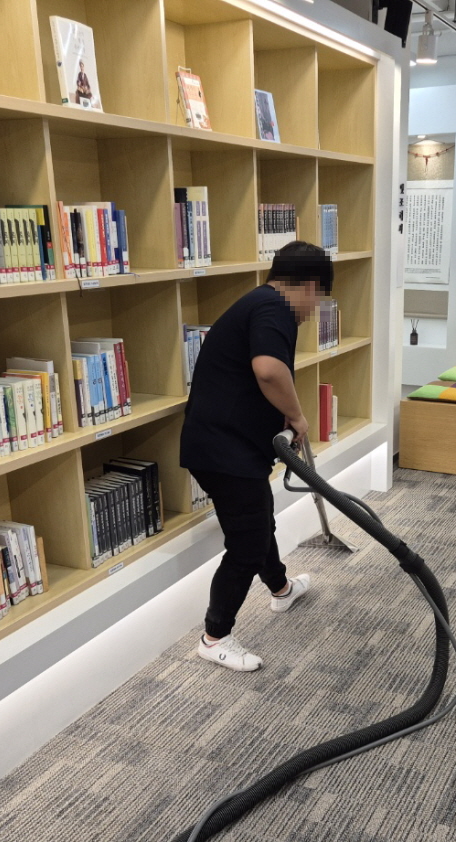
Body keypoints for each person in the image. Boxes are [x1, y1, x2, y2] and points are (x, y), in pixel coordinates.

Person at [180, 241, 333, 671]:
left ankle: (281, 589)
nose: (314, 310)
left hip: (227, 446)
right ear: (309, 285)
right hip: (223, 450)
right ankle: (214, 637)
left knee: (259, 522)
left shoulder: (259, 302)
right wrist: (297, 417)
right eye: (319, 298)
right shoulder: (274, 307)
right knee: (247, 542)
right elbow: (268, 370)